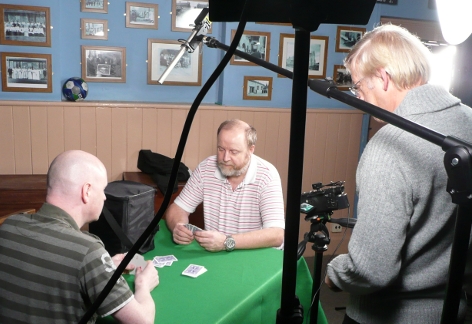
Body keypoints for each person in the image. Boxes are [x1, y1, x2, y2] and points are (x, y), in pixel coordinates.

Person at [325, 24, 472, 324]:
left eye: (358, 86)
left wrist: (336, 273)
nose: (359, 97)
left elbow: (370, 270)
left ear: (383, 77)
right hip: (452, 309)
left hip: (387, 316)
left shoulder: (388, 146)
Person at [0, 150, 159, 324]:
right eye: (103, 189)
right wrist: (143, 285)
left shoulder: (8, 226)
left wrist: (99, 269)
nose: (105, 197)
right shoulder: (88, 251)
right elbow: (142, 321)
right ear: (87, 191)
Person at [166, 119, 285, 252]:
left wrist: (227, 241)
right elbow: (177, 208)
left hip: (255, 257)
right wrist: (178, 226)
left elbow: (277, 234)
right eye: (221, 149)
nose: (225, 158)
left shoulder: (267, 175)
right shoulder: (206, 168)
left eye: (234, 152)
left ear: (250, 150)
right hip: (215, 255)